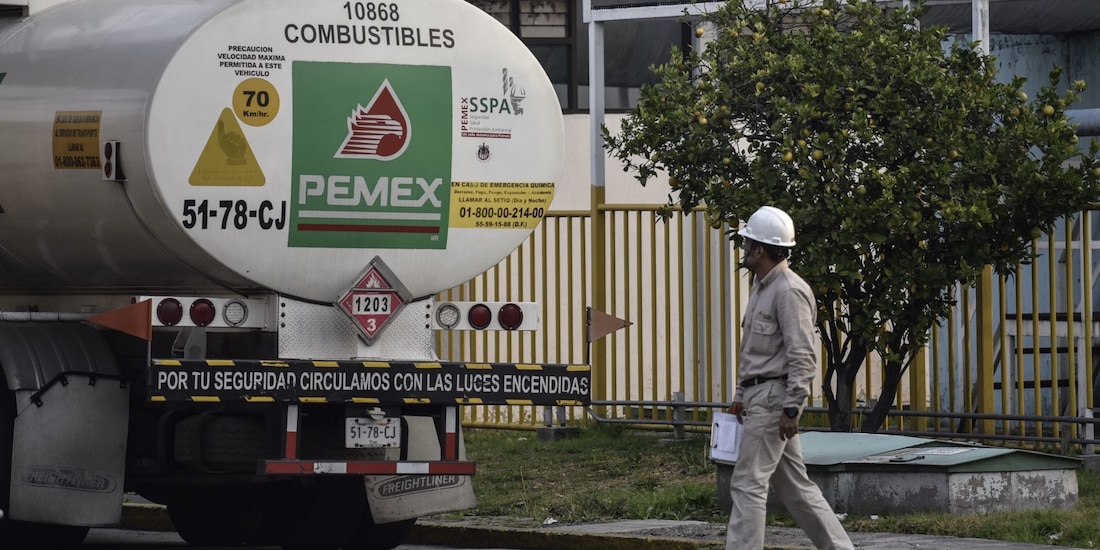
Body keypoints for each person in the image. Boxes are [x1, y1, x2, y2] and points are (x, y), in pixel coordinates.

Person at [725, 206, 853, 550]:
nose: (744, 248)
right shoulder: (761, 286)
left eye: (747, 242)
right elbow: (753, 349)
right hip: (759, 397)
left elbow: (802, 355)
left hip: (773, 399)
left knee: (748, 483)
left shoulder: (788, 291)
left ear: (761, 250)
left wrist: (792, 408)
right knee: (797, 488)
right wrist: (740, 394)